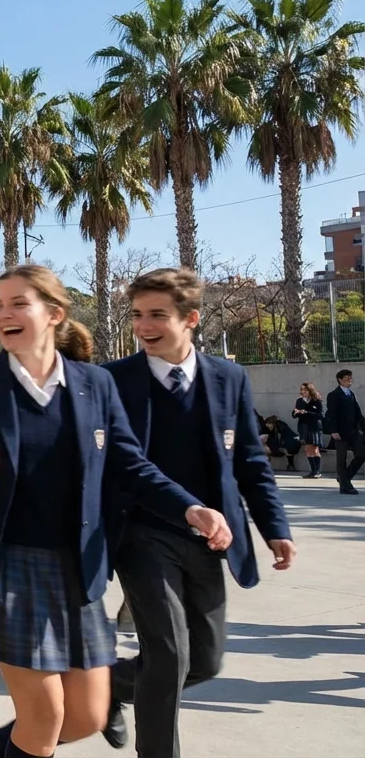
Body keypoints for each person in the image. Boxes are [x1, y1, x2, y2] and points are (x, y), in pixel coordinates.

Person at [0, 265, 233, 758]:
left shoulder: (95, 384)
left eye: (17, 303)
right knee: (44, 714)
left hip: (77, 567)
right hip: (3, 565)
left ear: (54, 314)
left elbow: (130, 464)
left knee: (87, 714)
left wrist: (190, 508)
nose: (2, 315)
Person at [102, 267, 295, 757]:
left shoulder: (228, 378)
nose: (144, 326)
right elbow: (125, 466)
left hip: (210, 539)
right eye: (137, 315)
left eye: (157, 316)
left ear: (190, 319)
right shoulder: (113, 381)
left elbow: (250, 461)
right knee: (168, 658)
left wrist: (274, 527)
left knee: (205, 662)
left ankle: (108, 688)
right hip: (141, 536)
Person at [325, 368, 364, 494]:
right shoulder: (333, 395)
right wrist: (334, 430)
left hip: (353, 431)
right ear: (340, 380)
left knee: (362, 454)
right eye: (346, 379)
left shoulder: (351, 394)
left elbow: (358, 413)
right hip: (340, 433)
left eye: (350, 378)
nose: (349, 381)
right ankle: (345, 486)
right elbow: (331, 414)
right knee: (341, 459)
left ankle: (344, 477)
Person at [294, 382, 325, 479]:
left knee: (314, 448)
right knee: (307, 448)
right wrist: (296, 413)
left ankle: (317, 471)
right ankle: (313, 471)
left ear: (310, 390)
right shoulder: (299, 400)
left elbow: (321, 415)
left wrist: (307, 412)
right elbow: (296, 413)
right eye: (302, 389)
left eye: (305, 389)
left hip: (314, 426)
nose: (303, 391)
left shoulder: (316, 400)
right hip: (303, 426)